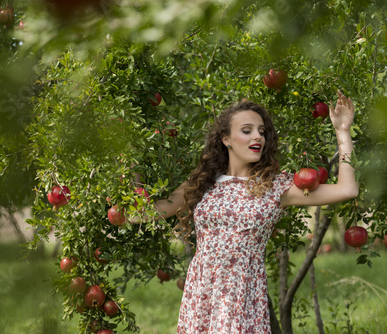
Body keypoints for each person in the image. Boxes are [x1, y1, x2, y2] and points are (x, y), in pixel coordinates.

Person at [134, 91, 358, 333]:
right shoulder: (200, 183)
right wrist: (130, 161)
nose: (257, 137)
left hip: (244, 296)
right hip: (203, 294)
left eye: (261, 131)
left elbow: (347, 189)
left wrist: (342, 132)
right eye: (247, 130)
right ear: (226, 139)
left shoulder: (275, 187)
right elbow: (144, 213)